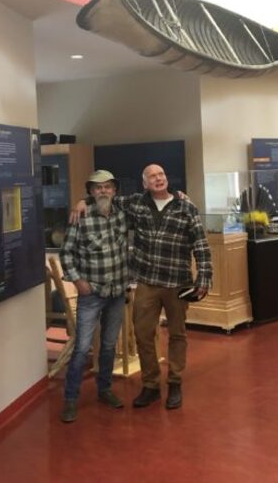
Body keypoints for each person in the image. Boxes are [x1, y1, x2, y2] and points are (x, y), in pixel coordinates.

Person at [76, 164, 212, 409]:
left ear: (166, 178)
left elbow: (200, 244)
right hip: (147, 282)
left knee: (177, 334)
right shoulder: (135, 203)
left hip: (177, 282)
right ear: (144, 184)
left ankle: (174, 382)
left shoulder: (186, 206)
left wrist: (204, 278)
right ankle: (150, 385)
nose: (158, 179)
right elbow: (107, 196)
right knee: (143, 334)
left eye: (161, 174)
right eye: (152, 176)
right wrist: (83, 201)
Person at [58, 169, 129, 423]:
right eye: (97, 187)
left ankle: (104, 389)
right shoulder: (82, 217)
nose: (103, 191)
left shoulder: (122, 214)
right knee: (83, 348)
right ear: (89, 191)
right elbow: (66, 253)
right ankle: (70, 399)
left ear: (115, 190)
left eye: (108, 186)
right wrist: (77, 280)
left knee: (109, 345)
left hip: (117, 292)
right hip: (92, 293)